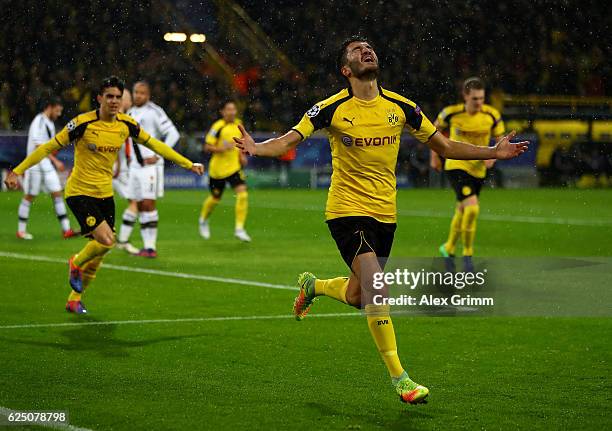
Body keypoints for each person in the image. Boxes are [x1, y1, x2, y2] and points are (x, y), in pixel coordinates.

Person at [233, 37, 527, 405]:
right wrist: (258, 147)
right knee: (378, 288)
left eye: (369, 47)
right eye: (356, 50)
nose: (366, 51)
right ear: (346, 69)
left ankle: (315, 286)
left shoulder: (401, 107)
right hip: (345, 210)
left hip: (385, 214)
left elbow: (446, 147)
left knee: (359, 296)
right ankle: (401, 378)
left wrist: (493, 152)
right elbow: (290, 138)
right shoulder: (331, 108)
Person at [5, 76, 204, 314]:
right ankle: (75, 262)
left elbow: (155, 145)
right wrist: (17, 171)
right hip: (79, 192)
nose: (114, 101)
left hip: (104, 194)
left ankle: (74, 299)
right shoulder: (81, 123)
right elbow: (47, 147)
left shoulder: (126, 124)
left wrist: (187, 163)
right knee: (106, 241)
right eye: (109, 96)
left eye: (118, 97)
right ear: (99, 98)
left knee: (101, 252)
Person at [430, 77, 505, 272]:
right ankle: (468, 256)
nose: (479, 102)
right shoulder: (451, 113)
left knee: (462, 210)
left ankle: (448, 248)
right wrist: (435, 156)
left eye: (481, 98)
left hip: (478, 169)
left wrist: (494, 156)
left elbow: (500, 138)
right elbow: (432, 132)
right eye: (475, 99)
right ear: (465, 96)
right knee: (472, 208)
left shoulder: (491, 115)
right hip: (456, 165)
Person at [118, 81, 181, 258]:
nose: (139, 96)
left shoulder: (154, 111)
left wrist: (159, 155)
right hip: (134, 167)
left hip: (150, 167)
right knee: (138, 204)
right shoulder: (130, 112)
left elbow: (173, 133)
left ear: (149, 95)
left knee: (148, 203)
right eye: (136, 92)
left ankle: (151, 247)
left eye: (142, 93)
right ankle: (145, 247)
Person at [16, 96, 77, 240]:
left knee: (57, 193)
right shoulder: (39, 121)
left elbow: (49, 146)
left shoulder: (49, 123)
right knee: (30, 196)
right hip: (35, 164)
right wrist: (55, 161)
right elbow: (39, 146)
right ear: (50, 107)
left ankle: (66, 229)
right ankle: (21, 230)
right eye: (57, 110)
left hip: (46, 164)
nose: (59, 114)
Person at [199, 101, 251, 242]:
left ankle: (239, 229)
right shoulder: (217, 127)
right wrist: (220, 149)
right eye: (228, 109)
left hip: (234, 168)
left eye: (233, 109)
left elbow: (240, 143)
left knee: (243, 194)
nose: (232, 112)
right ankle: (203, 220)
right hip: (217, 170)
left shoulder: (239, 124)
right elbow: (207, 147)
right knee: (215, 199)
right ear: (222, 112)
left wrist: (242, 156)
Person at [113, 88, 140, 255]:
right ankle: (121, 241)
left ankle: (108, 240)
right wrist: (115, 165)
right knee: (134, 203)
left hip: (119, 168)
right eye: (129, 98)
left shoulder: (124, 119)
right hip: (117, 170)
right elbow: (114, 143)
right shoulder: (119, 120)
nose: (131, 100)